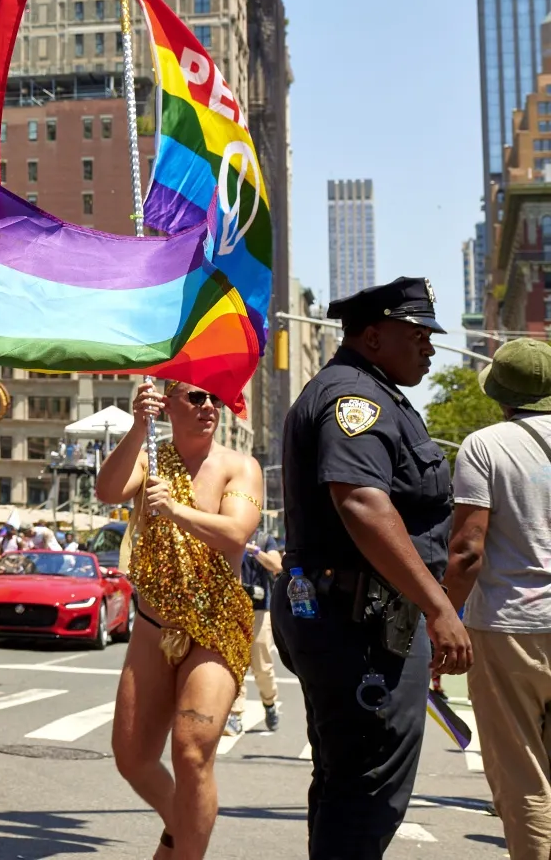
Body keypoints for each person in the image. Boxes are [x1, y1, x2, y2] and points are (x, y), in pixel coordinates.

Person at [271, 277, 469, 859]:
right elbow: (360, 499)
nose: (429, 347)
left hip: (352, 614)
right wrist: (439, 608)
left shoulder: (366, 390)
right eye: (419, 335)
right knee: (367, 791)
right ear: (375, 336)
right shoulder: (357, 400)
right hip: (361, 623)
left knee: (345, 781)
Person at [97, 379, 262, 860]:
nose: (210, 406)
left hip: (214, 626)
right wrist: (138, 426)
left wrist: (175, 508)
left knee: (191, 749)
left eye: (215, 398)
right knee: (132, 758)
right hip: (152, 624)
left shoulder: (240, 467)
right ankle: (182, 828)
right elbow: (108, 490)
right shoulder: (150, 455)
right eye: (196, 397)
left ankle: (187, 850)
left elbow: (235, 534)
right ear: (168, 403)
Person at [446, 337, 551, 860]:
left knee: (521, 774)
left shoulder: (485, 446)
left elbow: (467, 550)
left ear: (501, 394)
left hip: (511, 627)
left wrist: (441, 616)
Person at [225, 536, 283, 736]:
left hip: (259, 610)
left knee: (262, 667)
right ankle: (235, 714)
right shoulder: (228, 534)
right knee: (234, 664)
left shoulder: (265, 540)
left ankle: (269, 703)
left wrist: (255, 551)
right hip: (232, 609)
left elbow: (277, 565)